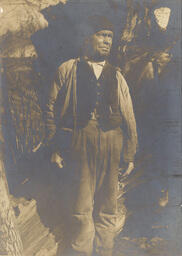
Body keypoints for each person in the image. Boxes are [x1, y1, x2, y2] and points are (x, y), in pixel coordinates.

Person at [42, 15, 137, 256]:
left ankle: (105, 251)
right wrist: (55, 147)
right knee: (82, 207)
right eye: (102, 35)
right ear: (87, 38)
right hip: (81, 140)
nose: (107, 41)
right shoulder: (68, 69)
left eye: (110, 37)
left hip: (113, 141)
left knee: (108, 206)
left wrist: (129, 153)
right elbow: (50, 107)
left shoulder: (116, 75)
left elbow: (129, 116)